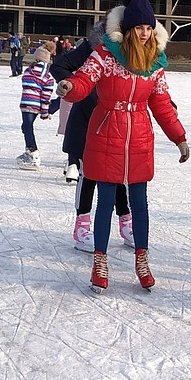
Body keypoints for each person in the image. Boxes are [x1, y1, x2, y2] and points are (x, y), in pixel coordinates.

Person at [56, 0, 190, 292]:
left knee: (139, 203)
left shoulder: (155, 62)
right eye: (138, 28)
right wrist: (70, 88)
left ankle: (142, 258)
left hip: (140, 136)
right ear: (127, 29)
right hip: (106, 132)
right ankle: (100, 261)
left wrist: (179, 137)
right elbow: (84, 78)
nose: (144, 33)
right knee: (105, 202)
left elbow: (161, 103)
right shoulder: (106, 54)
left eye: (148, 27)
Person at [51, 17, 135, 252]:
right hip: (87, 121)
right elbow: (58, 66)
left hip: (115, 123)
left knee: (119, 176)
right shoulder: (91, 48)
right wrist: (80, 91)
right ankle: (82, 228)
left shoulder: (129, 54)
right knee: (87, 175)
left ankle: (126, 225)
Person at [15, 47, 55, 170]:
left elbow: (25, 84)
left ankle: (33, 154)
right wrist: (44, 112)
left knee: (27, 127)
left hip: (26, 103)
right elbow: (45, 97)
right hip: (36, 105)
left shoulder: (28, 71)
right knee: (26, 127)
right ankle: (30, 151)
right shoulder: (47, 76)